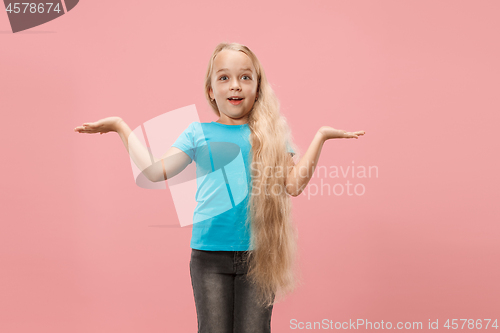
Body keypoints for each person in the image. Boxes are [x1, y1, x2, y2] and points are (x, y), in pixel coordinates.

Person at [74, 42, 365, 333]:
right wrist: (120, 127)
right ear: (211, 91)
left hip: (259, 257)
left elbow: (294, 185)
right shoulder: (197, 133)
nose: (235, 86)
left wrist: (321, 137)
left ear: (258, 88)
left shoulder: (271, 137)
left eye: (245, 77)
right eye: (224, 78)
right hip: (208, 257)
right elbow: (154, 171)